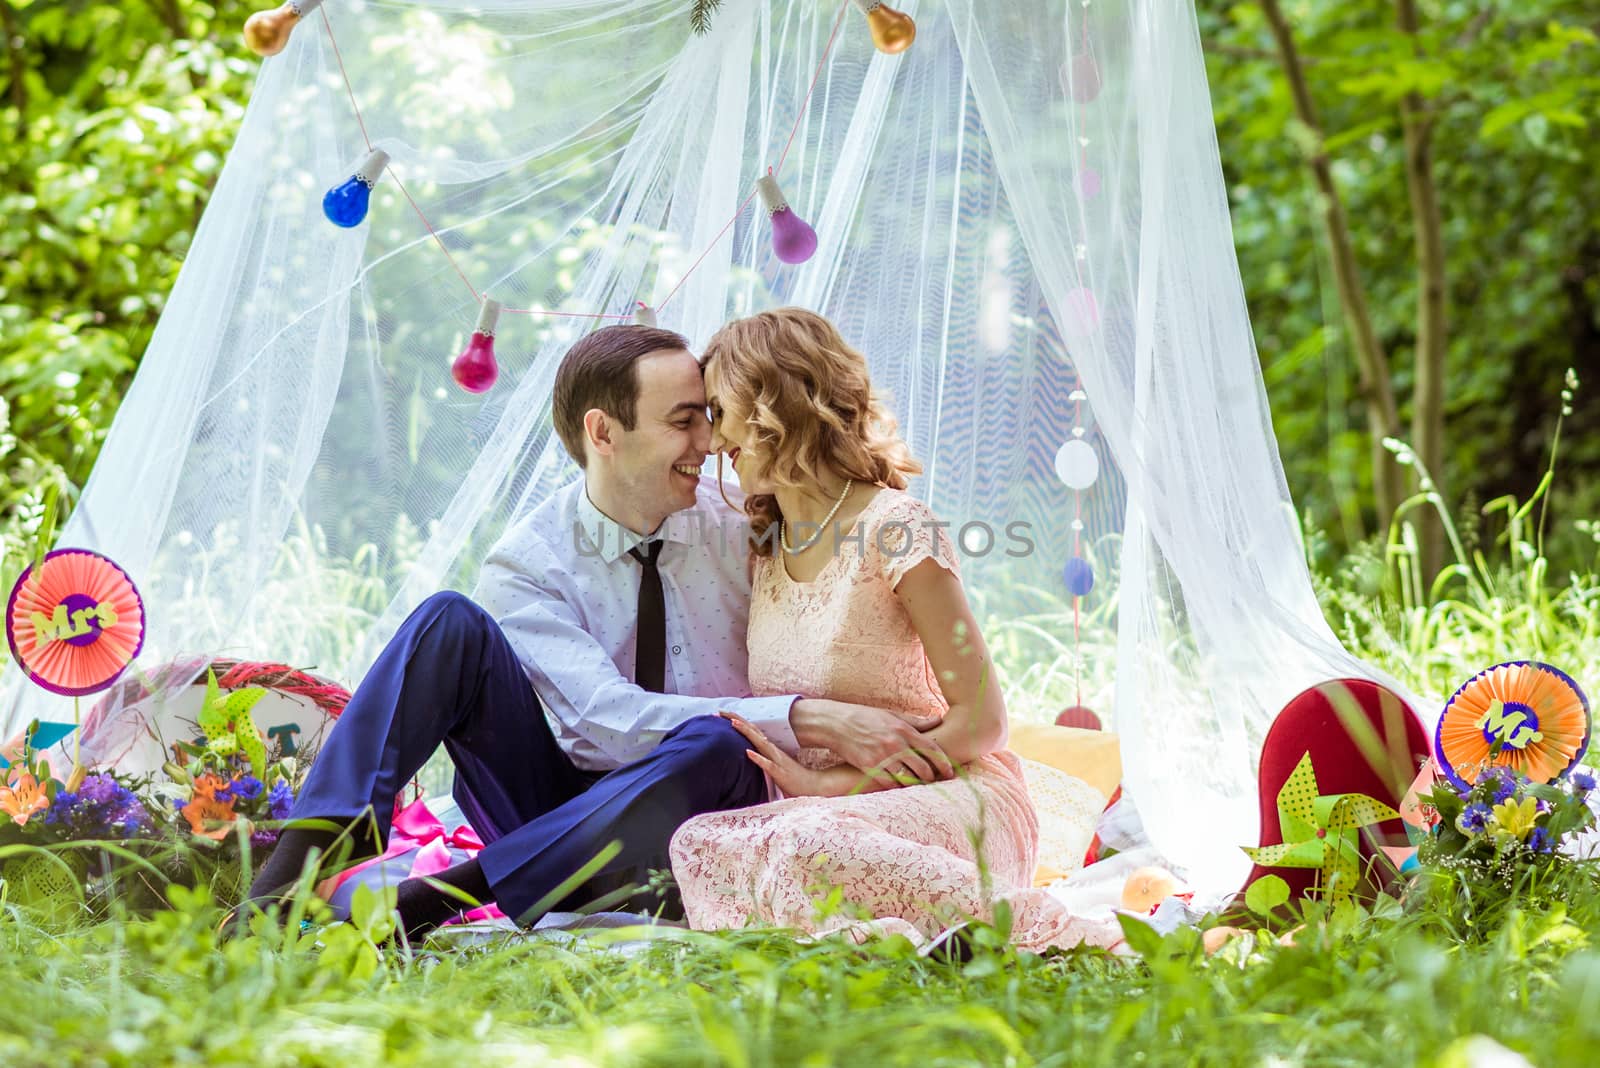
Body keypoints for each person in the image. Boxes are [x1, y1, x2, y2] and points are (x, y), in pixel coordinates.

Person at [238, 324, 958, 939]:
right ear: (603, 432)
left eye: (709, 417)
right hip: (556, 814)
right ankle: (296, 866)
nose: (709, 443)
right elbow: (607, 723)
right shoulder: (529, 561)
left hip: (703, 816)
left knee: (719, 738)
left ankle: (435, 898)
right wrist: (806, 715)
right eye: (684, 421)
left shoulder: (744, 524)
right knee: (446, 623)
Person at [669, 308, 1124, 952]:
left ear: (771, 394)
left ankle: (1053, 932)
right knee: (698, 842)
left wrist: (833, 786)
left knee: (804, 843)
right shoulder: (762, 549)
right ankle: (881, 944)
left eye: (720, 412)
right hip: (835, 816)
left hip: (955, 798)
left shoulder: (898, 528)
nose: (713, 443)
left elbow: (984, 721)